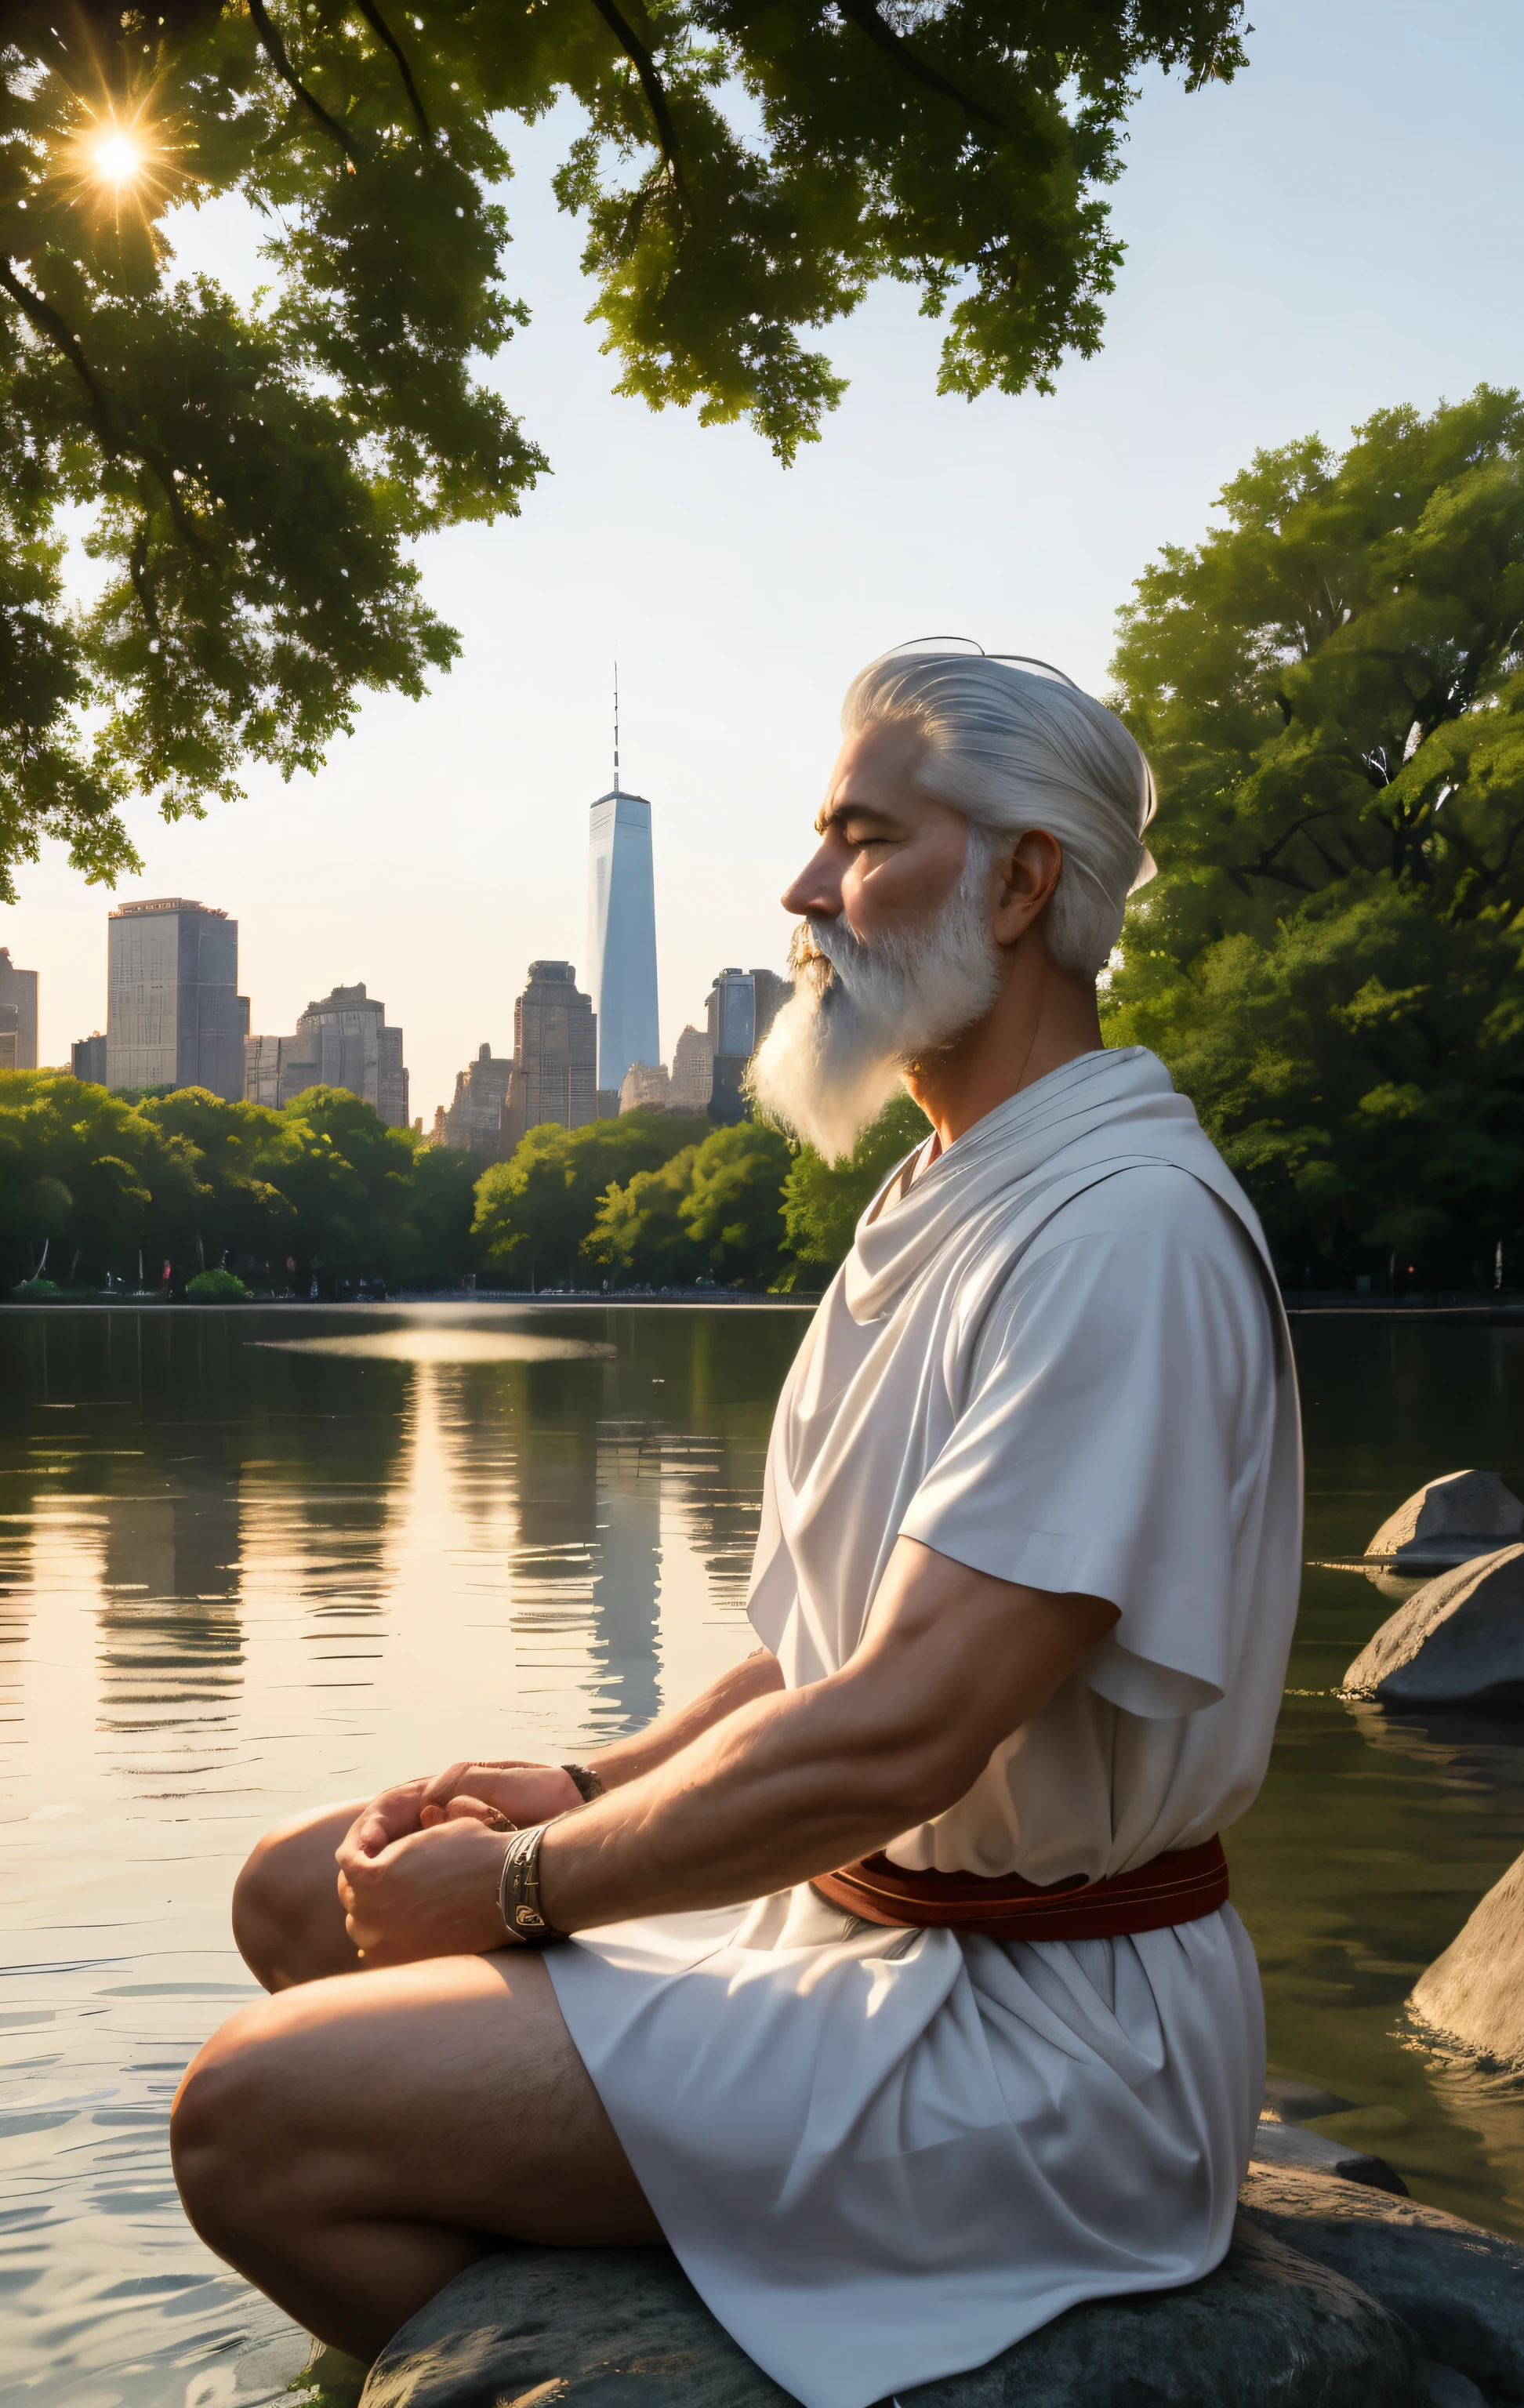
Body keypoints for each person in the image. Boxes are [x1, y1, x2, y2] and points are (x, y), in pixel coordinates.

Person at [169, 644, 1302, 2408]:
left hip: (1045, 2040)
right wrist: (586, 1782)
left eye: (860, 837)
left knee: (248, 2119)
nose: (800, 890)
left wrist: (533, 1888)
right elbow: (811, 1652)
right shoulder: (945, 1192)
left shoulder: (1120, 1233)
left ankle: (596, 2354)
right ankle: (617, 2293)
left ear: (1019, 883)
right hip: (865, 1929)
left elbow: (907, 1722)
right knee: (302, 1897)